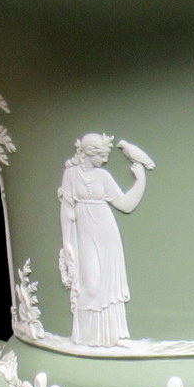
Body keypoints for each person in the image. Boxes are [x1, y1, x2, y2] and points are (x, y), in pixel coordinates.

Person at [58, 133, 149, 347]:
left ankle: (111, 337)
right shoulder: (71, 174)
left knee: (108, 286)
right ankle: (83, 335)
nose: (106, 160)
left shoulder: (103, 176)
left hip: (106, 232)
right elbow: (66, 210)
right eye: (102, 155)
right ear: (90, 153)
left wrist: (141, 181)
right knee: (91, 285)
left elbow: (125, 205)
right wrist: (67, 242)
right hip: (85, 234)